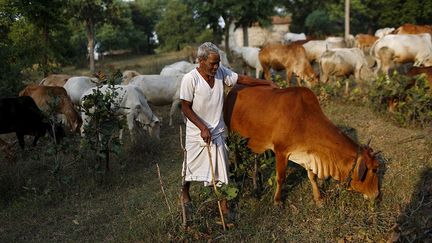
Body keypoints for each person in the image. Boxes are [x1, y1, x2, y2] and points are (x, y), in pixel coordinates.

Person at [179, 42, 276, 217]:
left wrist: (267, 83)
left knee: (222, 170)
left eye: (218, 63)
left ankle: (224, 207)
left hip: (217, 131)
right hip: (196, 133)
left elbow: (241, 79)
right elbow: (185, 107)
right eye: (212, 63)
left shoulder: (220, 73)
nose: (216, 67)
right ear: (201, 61)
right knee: (190, 169)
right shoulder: (190, 79)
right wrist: (202, 127)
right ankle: (185, 194)